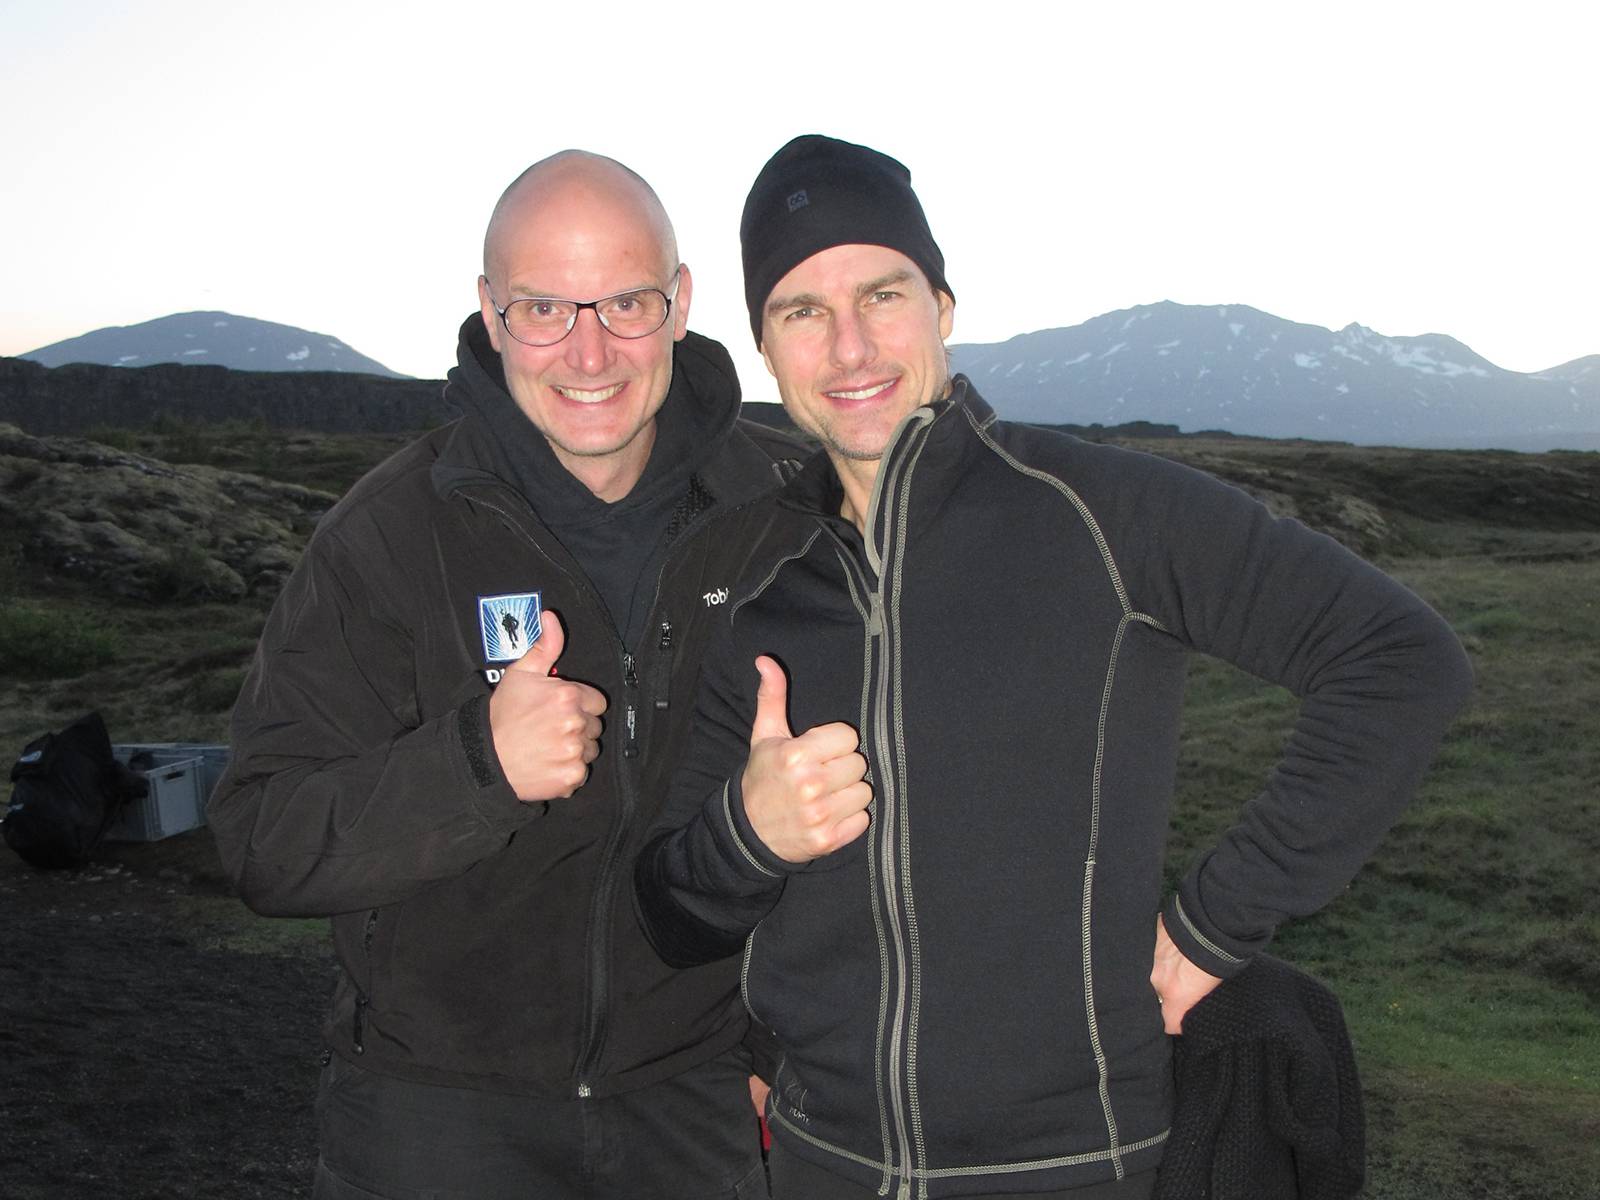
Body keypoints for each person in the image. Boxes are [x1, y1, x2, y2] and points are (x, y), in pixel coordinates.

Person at [633, 135, 1474, 1200]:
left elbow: (1399, 660)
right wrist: (743, 835)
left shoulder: (1100, 514)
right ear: (764, 344)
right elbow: (667, 907)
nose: (849, 348)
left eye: (881, 294)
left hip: (1074, 1168)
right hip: (818, 1164)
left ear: (941, 306)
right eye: (802, 310)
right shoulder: (753, 578)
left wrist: (1216, 923)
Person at [207, 150, 800, 1200]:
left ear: (680, 303)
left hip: (695, 1105)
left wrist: (770, 1042)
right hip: (434, 1116)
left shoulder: (779, 523)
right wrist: (476, 766)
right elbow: (265, 839)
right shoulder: (389, 537)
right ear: (489, 312)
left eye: (625, 301)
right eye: (541, 308)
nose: (587, 351)